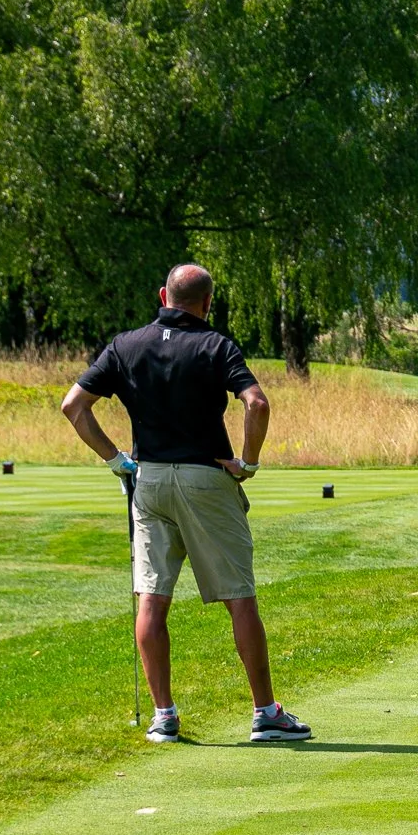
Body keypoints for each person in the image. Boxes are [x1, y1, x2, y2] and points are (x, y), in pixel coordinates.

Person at [59, 263, 311, 744]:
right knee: (239, 597)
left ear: (163, 295)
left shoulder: (125, 344)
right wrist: (249, 463)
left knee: (152, 598)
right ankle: (265, 714)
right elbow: (256, 403)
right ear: (207, 303)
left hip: (148, 479)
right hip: (206, 478)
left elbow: (73, 406)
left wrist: (117, 460)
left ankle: (164, 716)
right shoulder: (216, 345)